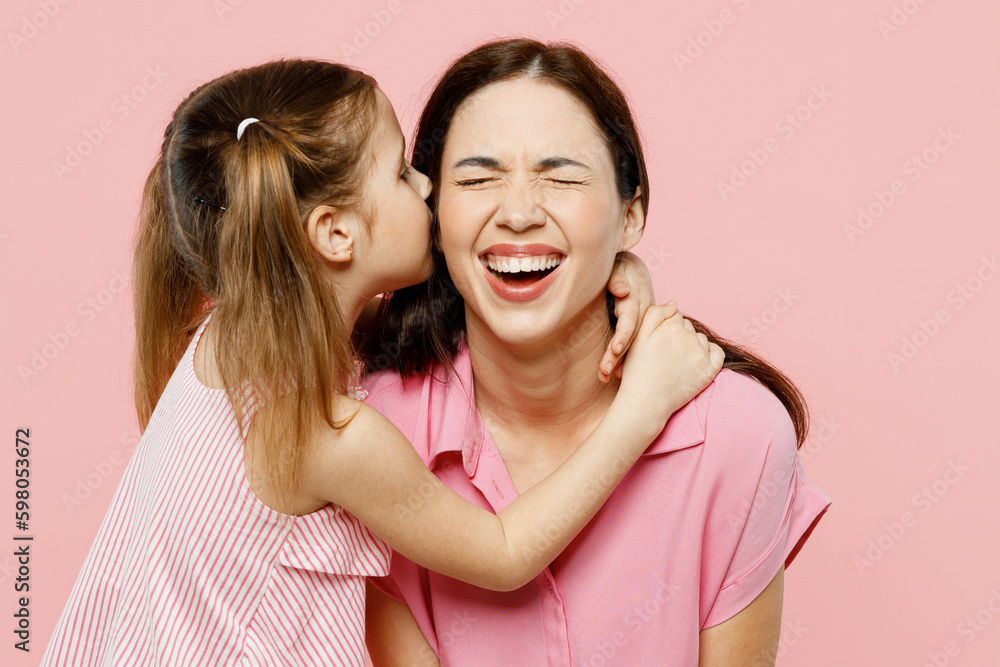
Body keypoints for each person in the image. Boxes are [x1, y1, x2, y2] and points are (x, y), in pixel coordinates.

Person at [40, 58, 723, 666]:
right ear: (336, 233)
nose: (426, 185)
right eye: (400, 172)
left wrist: (605, 267)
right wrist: (642, 408)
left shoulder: (232, 336)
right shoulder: (328, 433)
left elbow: (389, 319)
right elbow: (505, 552)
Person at [360, 39, 833, 666]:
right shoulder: (375, 432)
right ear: (434, 217)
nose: (520, 212)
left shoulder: (737, 434)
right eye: (477, 179)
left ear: (630, 213)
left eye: (561, 177)